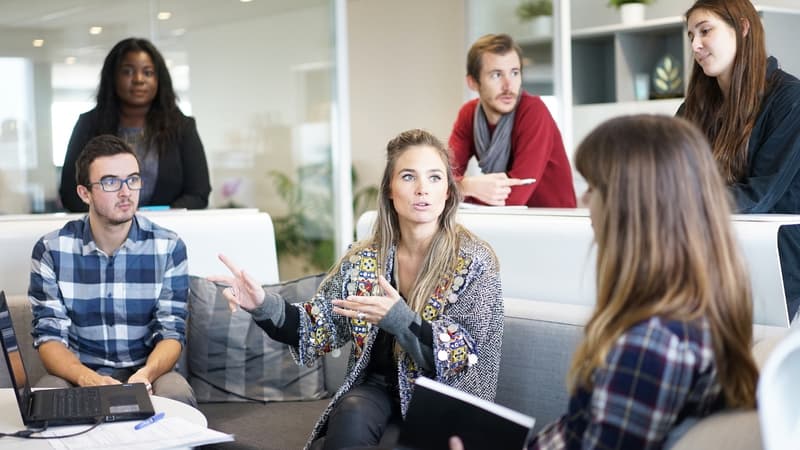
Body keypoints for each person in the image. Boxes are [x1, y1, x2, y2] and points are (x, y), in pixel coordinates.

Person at [451, 115, 759, 450]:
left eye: (594, 188)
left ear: (630, 207)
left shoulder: (651, 345)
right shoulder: (697, 311)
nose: (585, 201)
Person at [211, 129, 504, 449]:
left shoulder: (475, 261)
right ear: (390, 190)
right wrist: (262, 304)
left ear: (447, 191)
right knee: (349, 412)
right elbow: (316, 325)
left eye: (434, 178)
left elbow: (462, 354)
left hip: (443, 395)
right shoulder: (364, 259)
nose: (422, 189)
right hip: (376, 389)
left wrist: (399, 319)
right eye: (408, 176)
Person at [30, 134, 195, 406]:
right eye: (110, 182)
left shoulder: (169, 247)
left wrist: (146, 374)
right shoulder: (51, 250)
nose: (125, 192)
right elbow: (49, 338)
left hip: (148, 372)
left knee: (176, 395)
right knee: (45, 397)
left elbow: (171, 332)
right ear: (85, 193)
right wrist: (88, 379)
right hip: (78, 373)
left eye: (133, 179)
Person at [679, 0, 800, 320]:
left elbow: (761, 195)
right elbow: (668, 176)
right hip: (710, 251)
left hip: (775, 259)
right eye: (691, 35)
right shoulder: (694, 108)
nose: (695, 44)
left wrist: (678, 202)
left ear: (743, 28)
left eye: (705, 31)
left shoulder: (790, 98)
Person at [59, 37, 211, 212]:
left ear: (159, 79)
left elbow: (198, 193)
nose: (139, 79)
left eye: (148, 72)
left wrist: (157, 221)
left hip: (167, 232)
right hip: (104, 233)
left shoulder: (182, 127)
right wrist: (113, 219)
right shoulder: (89, 125)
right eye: (128, 72)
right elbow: (70, 194)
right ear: (112, 77)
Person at [448, 33, 576, 208]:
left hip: (553, 223)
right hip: (506, 222)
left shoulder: (533, 111)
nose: (509, 85)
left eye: (514, 73)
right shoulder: (468, 114)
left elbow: (515, 196)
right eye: (496, 75)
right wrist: (467, 186)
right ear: (473, 83)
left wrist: (460, 189)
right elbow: (442, 178)